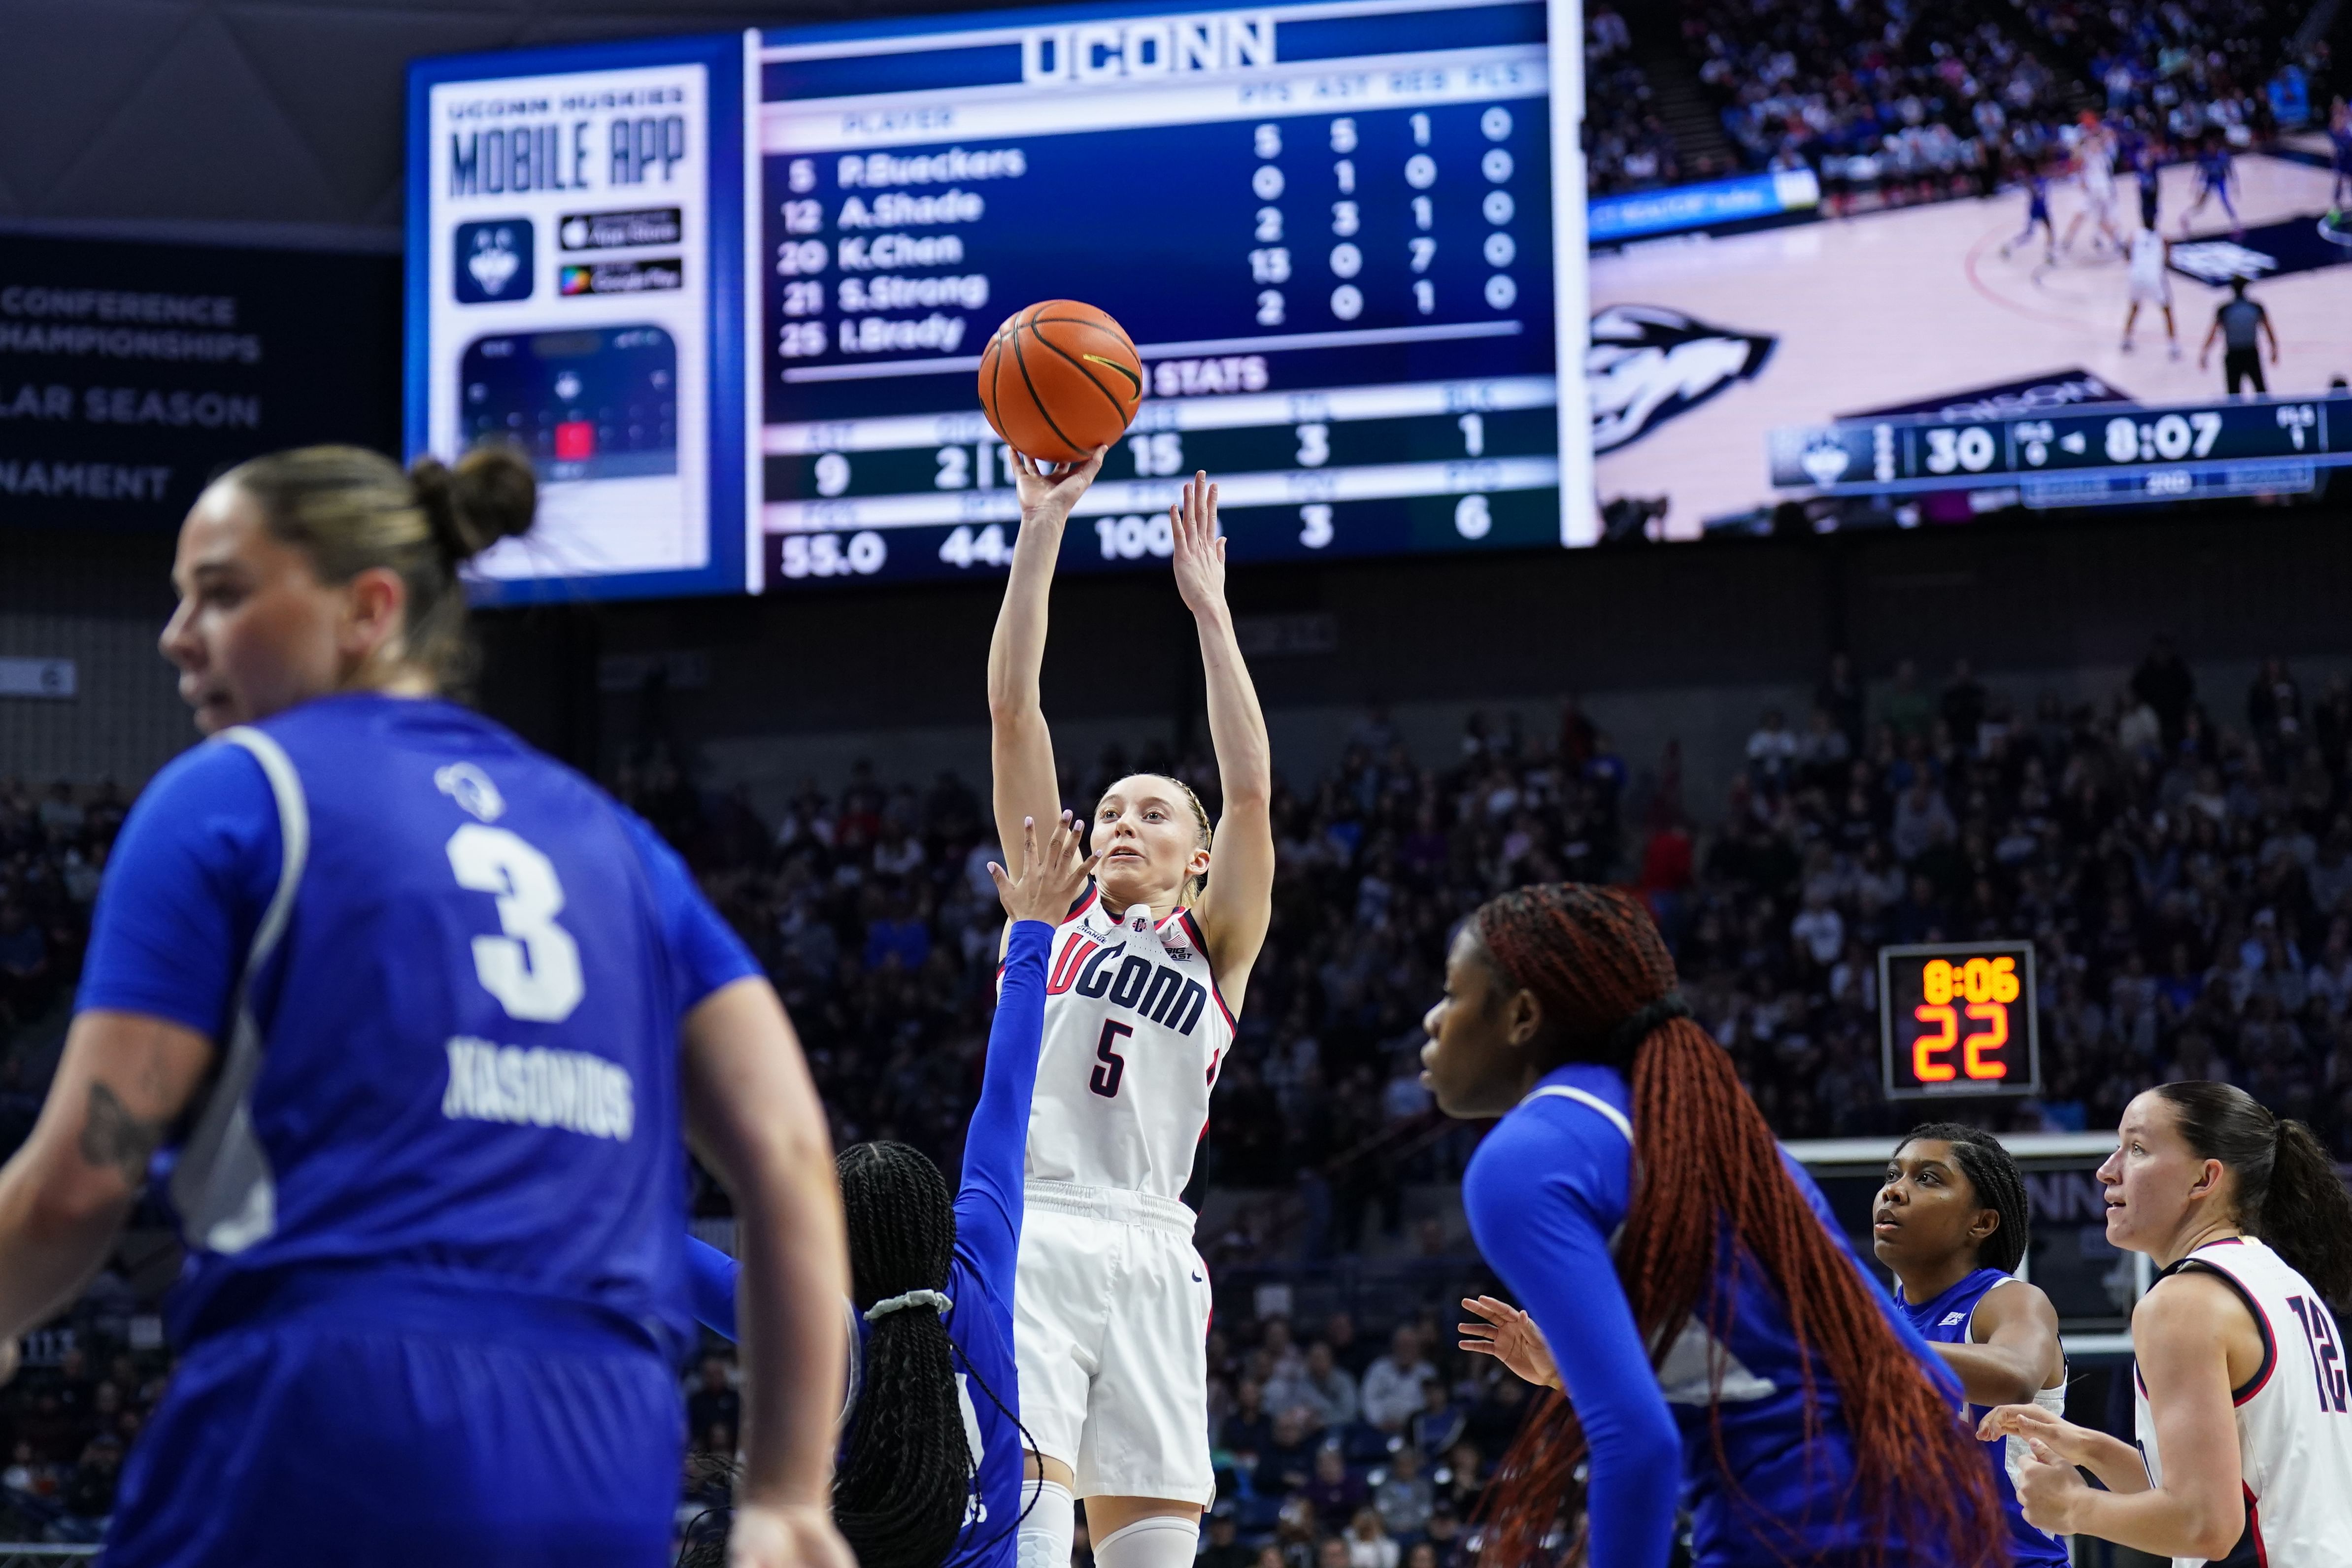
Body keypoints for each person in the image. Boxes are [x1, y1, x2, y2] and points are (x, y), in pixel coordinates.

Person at [0, 444, 853, 1568]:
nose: (177, 633)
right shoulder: (619, 841)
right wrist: (789, 1489)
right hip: (608, 1444)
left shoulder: (237, 788)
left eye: (221, 591)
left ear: (369, 606)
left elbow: (83, 1177)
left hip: (329, 1408)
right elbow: (791, 1155)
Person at [1433, 884, 2002, 1568]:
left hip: (1793, 1537)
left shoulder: (1523, 1157)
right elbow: (1919, 1375)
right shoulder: (1711, 1127)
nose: (1434, 1020)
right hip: (1933, 1520)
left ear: (1521, 1014)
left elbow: (1637, 1443)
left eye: (1450, 992)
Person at [986, 458, 1276, 1568]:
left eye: (1150, 811)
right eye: (1108, 807)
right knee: (1019, 1543)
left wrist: (1210, 613)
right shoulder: (1046, 913)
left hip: (1157, 1246)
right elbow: (1014, 708)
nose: (1117, 821)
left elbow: (1249, 787)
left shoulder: (1217, 945)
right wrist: (1041, 526)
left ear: (1195, 858)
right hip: (1039, 1230)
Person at [683, 812, 1095, 1568]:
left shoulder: (827, 1331)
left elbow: (665, 1253)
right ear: (941, 1218)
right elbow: (1006, 1095)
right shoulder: (980, 1262)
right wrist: (1034, 929)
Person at [1984, 1083, 2352, 1563]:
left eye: (2136, 1149)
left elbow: (2206, 1527)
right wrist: (2086, 1446)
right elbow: (2224, 1491)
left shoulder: (2183, 1303)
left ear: (2204, 1179)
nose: (2106, 1170)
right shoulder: (2280, 1281)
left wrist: (2074, 1508)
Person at [1873, 1125, 2069, 1568]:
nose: (1894, 1192)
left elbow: (2015, 1375)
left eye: (1927, 1178)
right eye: (1892, 1175)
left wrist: (1867, 1343)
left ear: (1981, 1222)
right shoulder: (1889, 1320)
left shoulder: (2008, 1300)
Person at [2200, 278, 2279, 396]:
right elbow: (2268, 329)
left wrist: (2205, 353)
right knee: (2260, 390)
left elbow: (2213, 333)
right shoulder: (2255, 307)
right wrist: (2274, 349)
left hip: (2234, 354)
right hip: (2251, 353)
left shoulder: (2225, 309)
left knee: (2234, 394)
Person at [2062, 117, 2123, 256]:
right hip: (2094, 192)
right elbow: (2076, 156)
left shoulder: (2104, 155)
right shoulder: (2087, 154)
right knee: (2082, 215)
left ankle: (2114, 241)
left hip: (2103, 192)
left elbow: (2108, 136)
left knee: (2104, 220)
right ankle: (2067, 241)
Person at [2120, 225, 2178, 357]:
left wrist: (2132, 260)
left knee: (2134, 308)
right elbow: (2169, 258)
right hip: (2154, 277)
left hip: (2137, 275)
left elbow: (2126, 252)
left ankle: (2126, 340)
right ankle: (2173, 346)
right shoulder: (2163, 237)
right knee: (2167, 310)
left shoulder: (2134, 235)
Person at [2177, 134, 2240, 236]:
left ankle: (2236, 224)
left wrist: (2235, 186)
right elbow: (2199, 173)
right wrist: (2195, 186)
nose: (2210, 148)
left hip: (2220, 180)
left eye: (2211, 147)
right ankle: (2184, 217)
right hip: (2210, 181)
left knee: (2225, 201)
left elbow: (2230, 171)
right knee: (2200, 206)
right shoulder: (2204, 158)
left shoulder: (2223, 157)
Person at [2000, 158, 2057, 264]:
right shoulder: (2032, 181)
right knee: (2029, 235)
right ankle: (2009, 246)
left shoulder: (2043, 179)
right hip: (2035, 210)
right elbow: (2034, 193)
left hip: (2043, 210)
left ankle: (2049, 254)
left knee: (2050, 231)